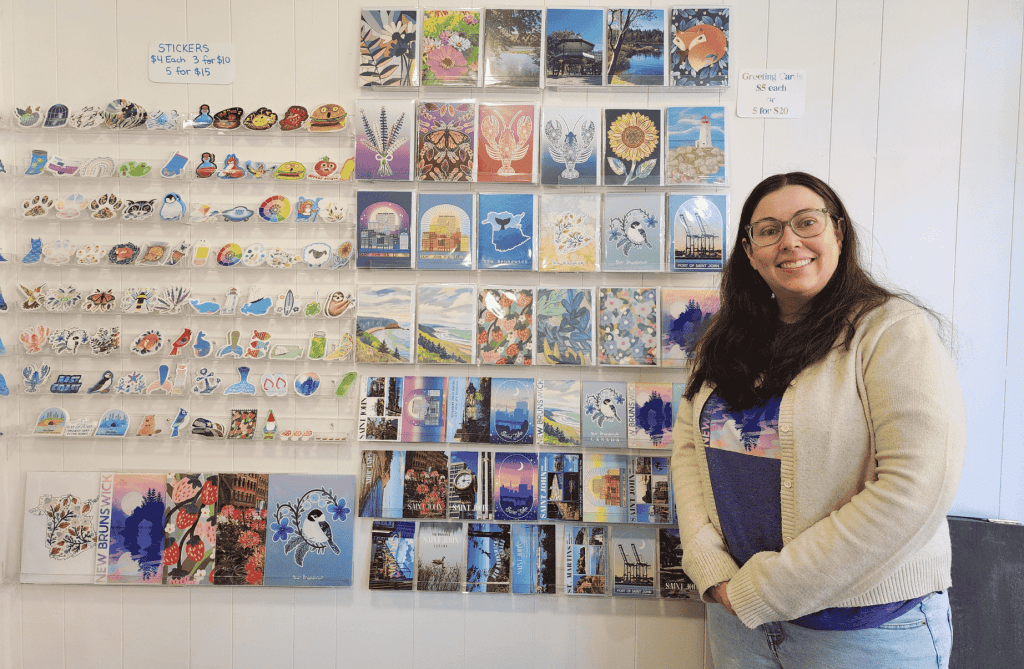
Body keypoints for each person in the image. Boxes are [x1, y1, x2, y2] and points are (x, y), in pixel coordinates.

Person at [671, 172, 966, 668]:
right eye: (767, 230)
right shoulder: (727, 336)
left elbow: (917, 489)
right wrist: (713, 569)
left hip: (866, 634)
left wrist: (766, 590)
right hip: (739, 624)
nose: (789, 241)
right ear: (749, 251)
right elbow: (687, 449)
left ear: (839, 233)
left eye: (806, 222)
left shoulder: (891, 332)